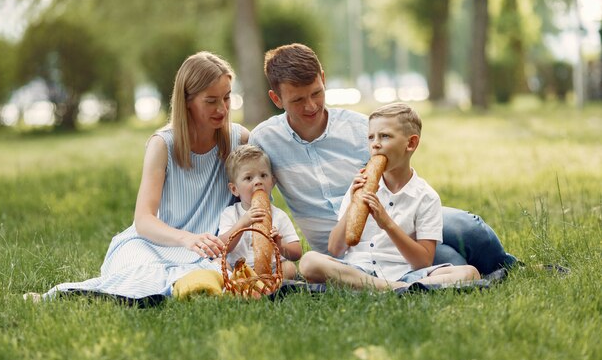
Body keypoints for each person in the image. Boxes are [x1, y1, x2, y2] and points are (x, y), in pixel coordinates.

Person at [249, 43, 516, 275]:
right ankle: (467, 273)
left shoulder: (359, 129)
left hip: (393, 226)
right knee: (450, 259)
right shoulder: (265, 140)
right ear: (276, 99)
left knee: (465, 227)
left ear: (323, 78)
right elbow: (260, 207)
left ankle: (511, 267)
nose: (311, 106)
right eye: (297, 100)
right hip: (336, 247)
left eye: (316, 93)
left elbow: (401, 180)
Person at [26, 51, 248, 301]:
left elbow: (255, 199)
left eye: (227, 98)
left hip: (211, 249)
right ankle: (85, 293)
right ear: (187, 100)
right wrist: (186, 238)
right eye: (211, 101)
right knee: (140, 267)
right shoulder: (162, 145)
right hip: (155, 244)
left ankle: (170, 286)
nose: (222, 108)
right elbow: (143, 220)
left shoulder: (239, 139)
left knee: (218, 270)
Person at [298, 103, 480, 290]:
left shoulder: (426, 197)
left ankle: (376, 287)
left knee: (469, 273)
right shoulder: (359, 186)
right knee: (309, 261)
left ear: (411, 143)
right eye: (371, 137)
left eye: (385, 136)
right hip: (357, 268)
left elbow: (422, 262)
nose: (375, 144)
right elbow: (335, 249)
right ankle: (393, 289)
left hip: (405, 273)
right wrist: (353, 204)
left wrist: (387, 223)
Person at [218, 144, 302, 279]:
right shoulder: (231, 213)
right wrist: (242, 223)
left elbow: (297, 253)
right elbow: (223, 247)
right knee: (218, 265)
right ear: (234, 189)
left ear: (272, 182)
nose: (258, 181)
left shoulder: (279, 215)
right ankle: (247, 284)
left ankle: (265, 284)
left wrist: (280, 245)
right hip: (240, 269)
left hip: (272, 267)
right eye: (248, 178)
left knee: (289, 268)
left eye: (263, 175)